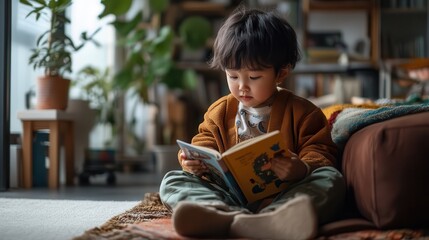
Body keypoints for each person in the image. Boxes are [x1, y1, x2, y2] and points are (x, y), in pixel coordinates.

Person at [159, 6, 345, 240]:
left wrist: (300, 168)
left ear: (281, 73)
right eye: (233, 76)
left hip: (283, 197)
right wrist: (195, 162)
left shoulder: (304, 112)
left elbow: (321, 153)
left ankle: (274, 219)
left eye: (254, 77)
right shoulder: (219, 111)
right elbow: (203, 142)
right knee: (173, 179)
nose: (242, 86)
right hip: (227, 196)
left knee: (331, 179)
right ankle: (221, 214)